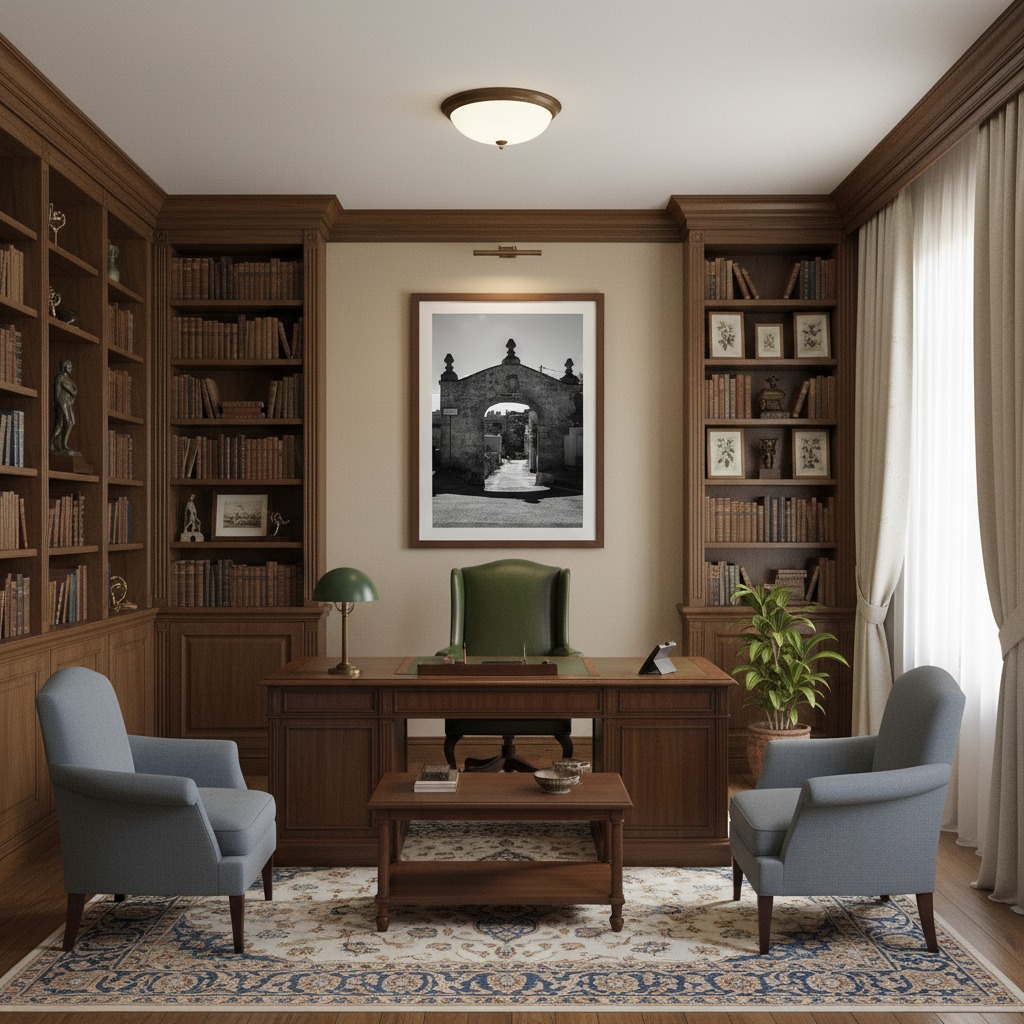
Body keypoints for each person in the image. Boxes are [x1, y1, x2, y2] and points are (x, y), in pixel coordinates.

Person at [50, 359, 80, 455]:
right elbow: (57, 392)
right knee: (61, 423)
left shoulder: (69, 380)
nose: (71, 369)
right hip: (62, 402)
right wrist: (57, 403)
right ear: (64, 367)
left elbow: (74, 391)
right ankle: (53, 444)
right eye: (69, 367)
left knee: (72, 422)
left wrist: (72, 398)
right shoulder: (60, 378)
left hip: (68, 402)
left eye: (71, 367)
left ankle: (64, 444)